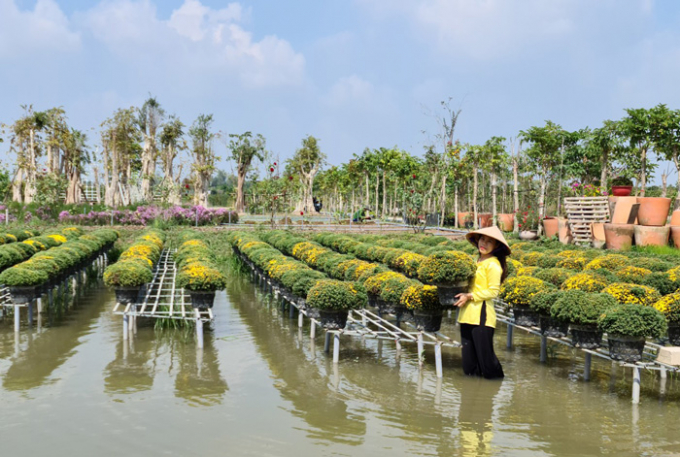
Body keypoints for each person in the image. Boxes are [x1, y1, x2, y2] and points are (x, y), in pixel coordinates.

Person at [454, 226, 509, 379]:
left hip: (481, 318)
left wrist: (469, 296)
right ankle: (472, 396)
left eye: (489, 241)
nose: (484, 243)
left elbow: (493, 291)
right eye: (482, 239)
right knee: (469, 363)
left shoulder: (493, 264)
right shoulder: (476, 261)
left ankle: (495, 386)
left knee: (487, 362)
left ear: (496, 246)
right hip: (466, 314)